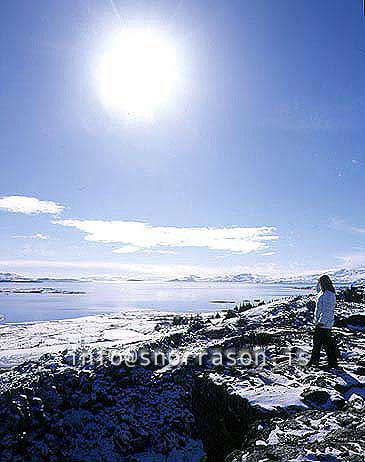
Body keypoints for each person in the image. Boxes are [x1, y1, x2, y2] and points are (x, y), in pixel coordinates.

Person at [307, 274, 339, 369]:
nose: (319, 284)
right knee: (325, 343)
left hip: (324, 324)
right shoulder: (324, 292)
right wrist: (318, 282)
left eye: (320, 282)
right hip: (323, 323)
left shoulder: (328, 294)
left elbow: (327, 310)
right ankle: (330, 362)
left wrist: (321, 322)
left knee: (319, 343)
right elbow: (318, 290)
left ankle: (315, 361)